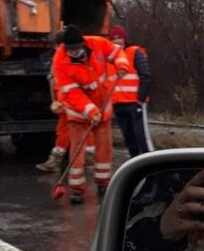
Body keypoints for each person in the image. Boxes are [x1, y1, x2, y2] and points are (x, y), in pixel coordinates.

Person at [52, 25, 129, 202]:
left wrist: (122, 64)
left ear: (83, 44)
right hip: (78, 112)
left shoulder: (97, 43)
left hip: (103, 107)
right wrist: (90, 110)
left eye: (77, 49)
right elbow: (71, 92)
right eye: (71, 50)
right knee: (77, 151)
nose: (75, 53)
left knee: (104, 149)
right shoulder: (60, 61)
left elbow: (117, 52)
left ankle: (103, 184)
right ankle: (77, 190)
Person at [36, 30, 97, 174]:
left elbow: (68, 85)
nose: (58, 49)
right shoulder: (64, 59)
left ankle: (58, 161)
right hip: (70, 101)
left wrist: (60, 102)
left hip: (71, 102)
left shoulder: (66, 60)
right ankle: (86, 158)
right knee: (78, 129)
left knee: (67, 130)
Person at [107, 25, 153, 157]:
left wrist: (140, 99)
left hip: (135, 102)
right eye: (114, 38)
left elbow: (146, 76)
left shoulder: (135, 52)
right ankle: (134, 160)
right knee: (128, 136)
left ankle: (149, 160)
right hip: (118, 104)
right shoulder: (109, 57)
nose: (117, 41)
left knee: (141, 135)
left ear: (124, 38)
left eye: (119, 38)